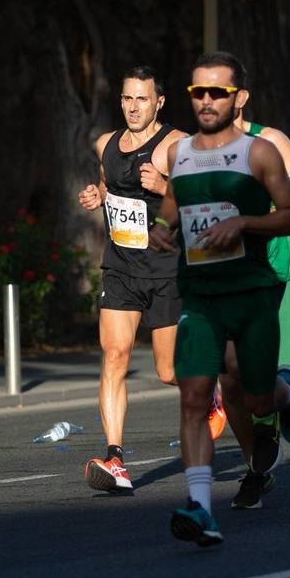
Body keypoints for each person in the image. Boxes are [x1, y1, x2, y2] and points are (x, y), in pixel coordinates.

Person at [148, 51, 290, 546]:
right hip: (199, 295)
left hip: (252, 294)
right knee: (196, 396)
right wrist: (161, 227)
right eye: (198, 91)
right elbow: (175, 200)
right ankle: (200, 508)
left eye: (217, 91)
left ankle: (285, 394)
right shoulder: (180, 153)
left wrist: (244, 222)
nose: (207, 100)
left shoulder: (258, 152)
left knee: (255, 392)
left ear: (237, 97)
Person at [76, 67, 199, 493]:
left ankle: (216, 393)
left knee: (168, 372)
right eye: (127, 98)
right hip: (121, 267)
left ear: (158, 103)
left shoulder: (177, 144)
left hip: (165, 270)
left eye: (141, 99)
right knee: (114, 356)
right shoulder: (105, 144)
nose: (132, 106)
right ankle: (115, 458)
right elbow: (111, 186)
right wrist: (99, 195)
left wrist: (166, 185)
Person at [220, 105, 290, 509]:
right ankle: (281, 408)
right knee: (230, 384)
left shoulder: (271, 142)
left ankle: (261, 458)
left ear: (240, 96)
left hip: (264, 270)